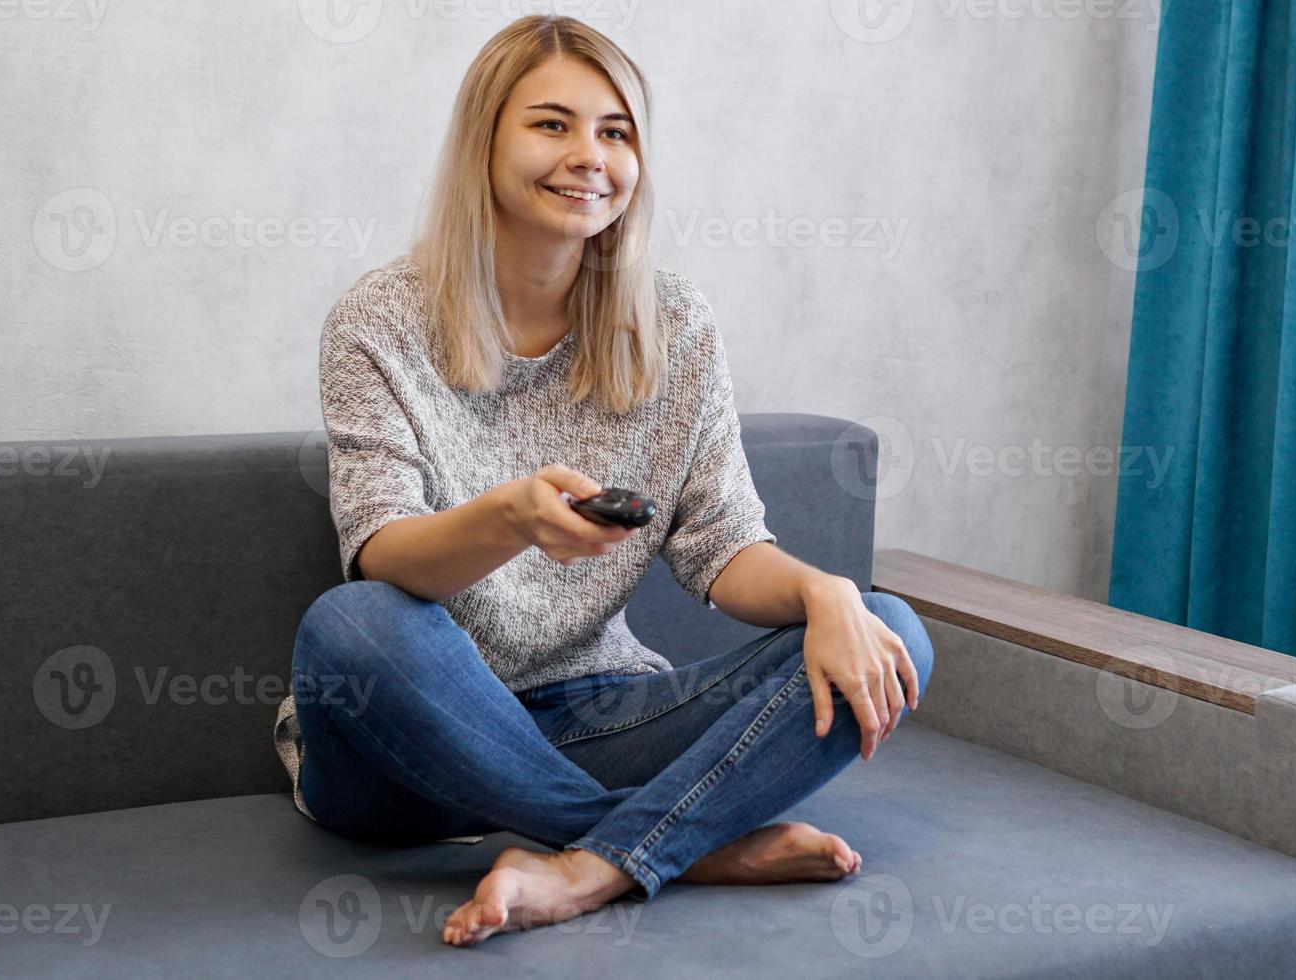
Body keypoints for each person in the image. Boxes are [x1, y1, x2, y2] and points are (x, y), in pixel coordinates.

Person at [271, 14, 935, 948]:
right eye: (552, 124)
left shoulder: (673, 324)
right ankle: (684, 845)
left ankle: (591, 865)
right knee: (350, 624)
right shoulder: (378, 321)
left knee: (890, 629)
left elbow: (725, 549)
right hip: (401, 747)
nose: (589, 156)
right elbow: (381, 554)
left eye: (615, 132)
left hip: (590, 714)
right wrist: (510, 518)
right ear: (485, 140)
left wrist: (825, 593)